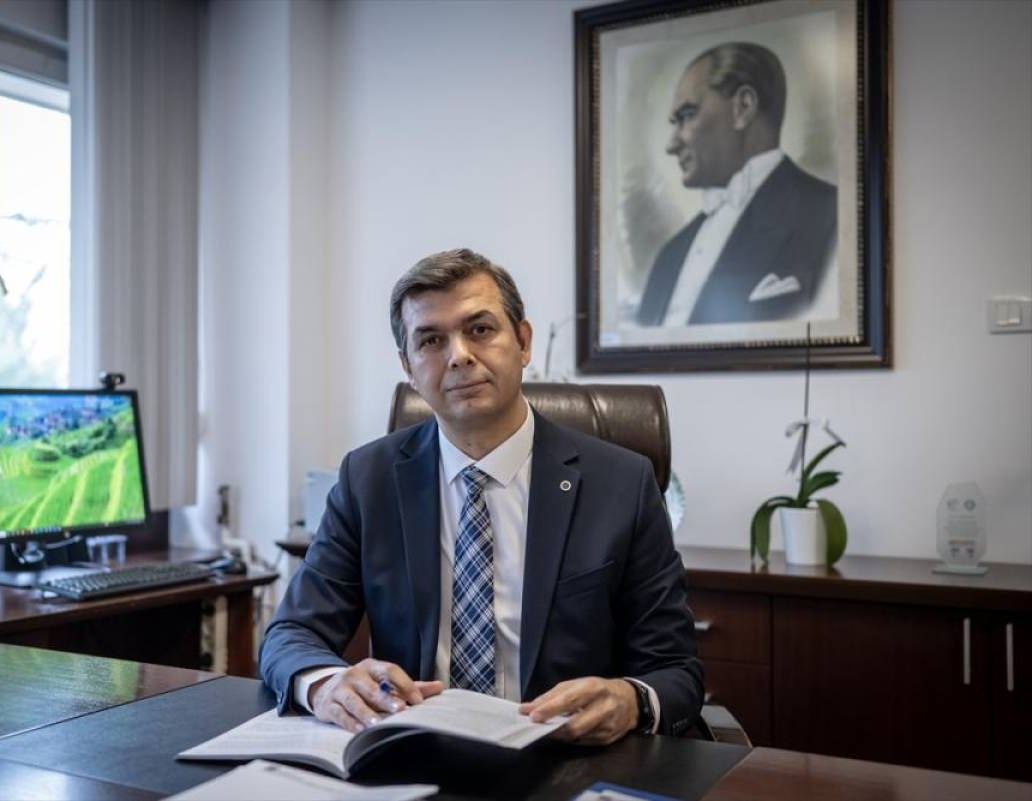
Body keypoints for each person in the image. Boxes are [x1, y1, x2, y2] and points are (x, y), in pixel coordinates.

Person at [260, 248, 702, 745]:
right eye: (431, 340)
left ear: (523, 342)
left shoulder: (621, 483)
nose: (459, 355)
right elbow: (291, 635)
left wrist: (630, 700)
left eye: (480, 329)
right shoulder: (368, 479)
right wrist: (324, 684)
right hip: (416, 753)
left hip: (563, 755)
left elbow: (676, 670)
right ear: (408, 367)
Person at [636, 42, 837, 327]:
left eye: (687, 115)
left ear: (743, 107)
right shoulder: (670, 256)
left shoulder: (830, 215)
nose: (671, 144)